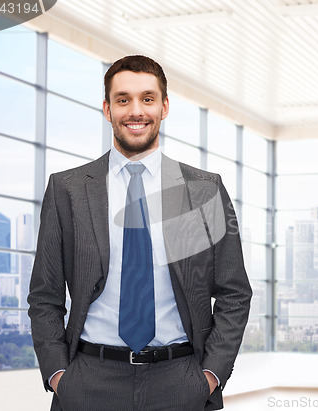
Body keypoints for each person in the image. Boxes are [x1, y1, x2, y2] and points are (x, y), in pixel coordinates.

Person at [28, 55, 252, 411]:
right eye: (123, 99)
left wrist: (210, 375)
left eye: (147, 99)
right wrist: (59, 375)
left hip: (180, 381)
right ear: (107, 109)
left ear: (164, 107)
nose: (136, 111)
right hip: (88, 382)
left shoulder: (200, 190)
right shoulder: (67, 190)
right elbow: (44, 297)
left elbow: (234, 293)